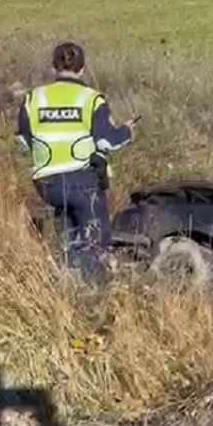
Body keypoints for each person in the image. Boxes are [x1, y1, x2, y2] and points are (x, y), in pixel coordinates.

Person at [16, 42, 138, 281]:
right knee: (94, 249)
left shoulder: (33, 99)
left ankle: (67, 293)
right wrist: (126, 131)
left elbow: (23, 140)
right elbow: (107, 142)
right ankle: (93, 300)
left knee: (69, 244)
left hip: (47, 185)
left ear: (54, 67)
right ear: (82, 68)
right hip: (83, 181)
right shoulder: (91, 99)